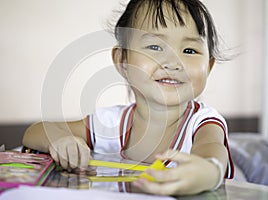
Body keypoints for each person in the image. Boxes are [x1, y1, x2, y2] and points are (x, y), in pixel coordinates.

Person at [22, 0, 234, 196]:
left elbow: (212, 150)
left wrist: (208, 171)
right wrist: (62, 140)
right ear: (122, 60)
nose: (173, 62)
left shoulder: (202, 122)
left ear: (209, 66)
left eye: (189, 50)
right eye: (155, 47)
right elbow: (35, 133)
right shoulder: (111, 124)